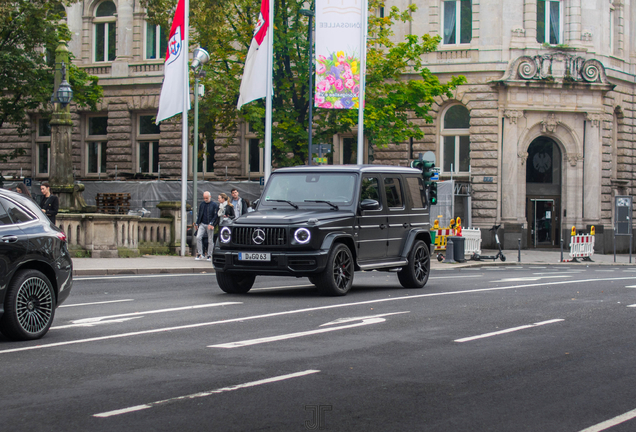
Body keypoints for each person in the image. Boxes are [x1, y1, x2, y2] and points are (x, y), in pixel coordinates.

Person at [194, 191, 219, 261]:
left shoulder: (214, 204)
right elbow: (200, 214)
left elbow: (215, 215)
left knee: (210, 240)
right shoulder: (202, 204)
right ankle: (200, 253)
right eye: (204, 198)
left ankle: (209, 255)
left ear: (210, 197)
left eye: (206, 198)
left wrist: (211, 223)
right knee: (198, 237)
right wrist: (197, 223)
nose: (205, 199)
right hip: (203, 223)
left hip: (209, 224)